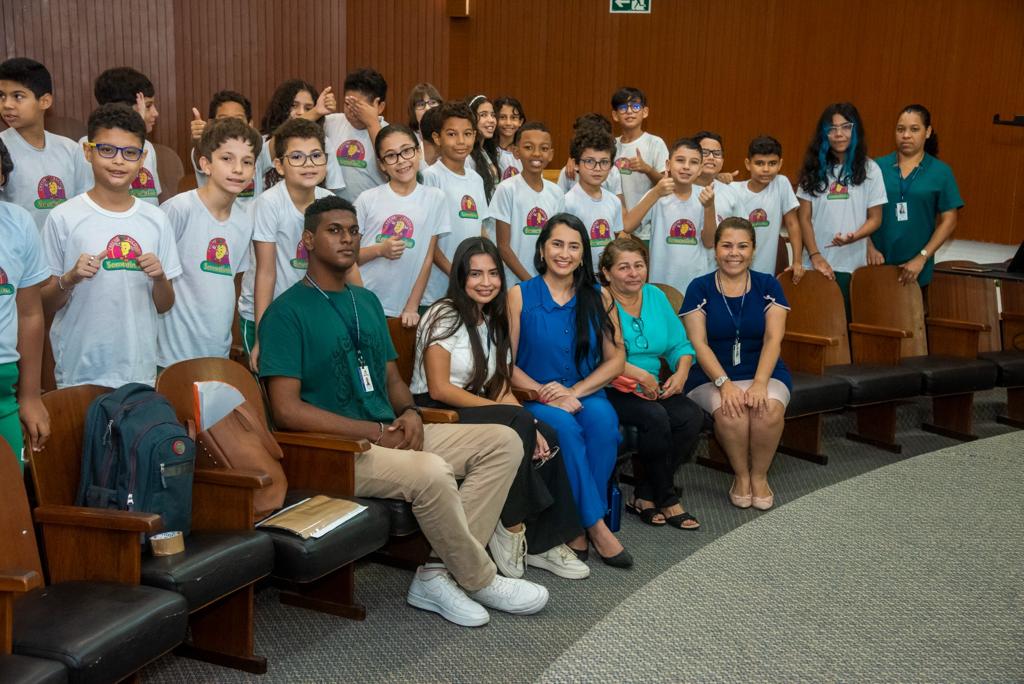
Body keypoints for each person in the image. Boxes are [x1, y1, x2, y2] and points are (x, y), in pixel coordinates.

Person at [259, 195, 548, 628]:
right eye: (334, 230)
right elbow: (285, 411)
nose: (347, 239)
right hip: (336, 450)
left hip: (390, 430)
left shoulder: (367, 302)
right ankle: (479, 577)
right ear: (307, 241)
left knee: (504, 441)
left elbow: (393, 380)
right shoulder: (285, 313)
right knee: (431, 470)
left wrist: (411, 412)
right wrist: (374, 430)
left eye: (353, 231)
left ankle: (437, 573)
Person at [411, 237, 589, 580]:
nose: (487, 282)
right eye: (475, 274)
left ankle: (544, 543)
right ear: (460, 277)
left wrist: (532, 423)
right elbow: (439, 388)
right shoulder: (442, 313)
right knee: (518, 421)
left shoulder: (492, 319)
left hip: (478, 406)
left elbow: (502, 384)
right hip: (437, 411)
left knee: (548, 434)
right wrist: (513, 416)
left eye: (493, 274)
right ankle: (511, 527)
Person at [509, 213, 631, 567]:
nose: (564, 253)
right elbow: (505, 365)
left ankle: (574, 524)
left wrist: (574, 391)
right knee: (564, 428)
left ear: (583, 254)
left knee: (605, 424)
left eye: (573, 246)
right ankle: (594, 526)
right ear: (542, 249)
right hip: (536, 397)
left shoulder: (599, 296)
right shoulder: (519, 295)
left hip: (585, 391)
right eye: (557, 244)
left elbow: (616, 360)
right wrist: (546, 393)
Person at [41, 104, 182, 388]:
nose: (119, 161)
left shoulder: (156, 219)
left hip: (138, 369)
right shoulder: (63, 216)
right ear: (88, 152)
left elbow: (165, 304)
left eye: (129, 153)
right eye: (107, 150)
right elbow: (44, 303)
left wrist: (159, 278)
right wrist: (70, 278)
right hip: (79, 368)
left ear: (142, 159)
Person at [681, 217, 791, 511]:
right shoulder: (699, 288)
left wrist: (759, 383)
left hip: (763, 370)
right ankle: (741, 476)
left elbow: (773, 339)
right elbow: (698, 344)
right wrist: (724, 383)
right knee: (732, 414)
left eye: (742, 246)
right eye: (726, 245)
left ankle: (759, 476)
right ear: (715, 250)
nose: (734, 253)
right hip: (709, 375)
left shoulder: (768, 285)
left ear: (753, 250)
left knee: (766, 410)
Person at [598, 238, 703, 529]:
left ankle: (644, 494)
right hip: (612, 386)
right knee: (655, 416)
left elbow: (680, 344)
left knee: (690, 416)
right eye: (624, 267)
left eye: (639, 266)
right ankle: (668, 499)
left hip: (652, 385)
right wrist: (639, 376)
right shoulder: (599, 299)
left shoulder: (655, 296)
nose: (633, 273)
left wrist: (681, 373)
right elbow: (598, 354)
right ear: (607, 273)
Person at [243, 117, 352, 370]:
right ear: (280, 165)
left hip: (311, 312)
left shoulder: (330, 201)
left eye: (316, 155)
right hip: (266, 313)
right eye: (297, 157)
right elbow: (266, 272)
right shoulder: (269, 203)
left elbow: (345, 266)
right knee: (273, 391)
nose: (308, 164)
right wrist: (263, 336)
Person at [157, 118, 260, 368]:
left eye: (247, 162)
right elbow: (156, 282)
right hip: (170, 355)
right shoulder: (179, 209)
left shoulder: (245, 221)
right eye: (227, 159)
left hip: (217, 351)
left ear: (254, 170)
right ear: (205, 164)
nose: (238, 169)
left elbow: (229, 282)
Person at [354, 124, 449, 324]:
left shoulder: (435, 198)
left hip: (404, 308)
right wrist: (380, 250)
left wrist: (413, 305)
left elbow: (427, 256)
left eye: (407, 151)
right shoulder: (367, 199)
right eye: (391, 155)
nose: (401, 161)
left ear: (418, 151)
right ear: (381, 164)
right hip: (364, 300)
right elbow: (348, 258)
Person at [796, 102, 887, 306]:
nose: (839, 134)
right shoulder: (812, 169)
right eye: (832, 129)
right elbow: (804, 218)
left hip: (852, 266)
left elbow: (876, 218)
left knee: (844, 327)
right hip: (815, 266)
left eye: (846, 127)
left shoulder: (871, 169)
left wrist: (855, 236)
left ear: (855, 130)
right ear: (824, 134)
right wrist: (815, 255)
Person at [869, 104, 963, 299]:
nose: (906, 135)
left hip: (915, 272)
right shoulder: (876, 167)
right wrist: (867, 246)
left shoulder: (941, 172)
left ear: (927, 132)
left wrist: (922, 257)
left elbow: (950, 220)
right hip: (874, 267)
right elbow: (856, 211)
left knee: (911, 327)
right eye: (900, 129)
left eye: (914, 129)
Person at [0, 138, 50, 470]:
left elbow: (30, 312)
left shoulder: (17, 222)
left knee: (9, 505)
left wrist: (29, 396)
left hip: (4, 389)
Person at [0, 57, 88, 229]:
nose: (7, 104)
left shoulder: (70, 149)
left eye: (18, 96)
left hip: (67, 251)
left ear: (45, 101)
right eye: (2, 96)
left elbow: (84, 203)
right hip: (19, 252)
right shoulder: (2, 148)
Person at [624, 137, 716, 295]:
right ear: (668, 164)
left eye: (693, 162)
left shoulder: (705, 196)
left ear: (700, 169)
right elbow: (627, 226)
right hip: (661, 284)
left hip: (697, 284)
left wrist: (709, 207)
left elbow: (709, 242)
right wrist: (655, 193)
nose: (686, 167)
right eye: (680, 160)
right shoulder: (657, 193)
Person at [422, 102, 489, 307]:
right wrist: (455, 273)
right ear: (437, 138)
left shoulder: (476, 179)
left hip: (471, 285)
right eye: (452, 134)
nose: (461, 141)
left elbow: (481, 230)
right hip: (437, 289)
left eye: (467, 134)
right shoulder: (430, 177)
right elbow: (427, 240)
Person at [492, 121, 565, 285]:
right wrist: (530, 282)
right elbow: (503, 247)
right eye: (529, 147)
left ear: (551, 154)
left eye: (544, 148)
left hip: (548, 281)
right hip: (514, 283)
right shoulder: (506, 189)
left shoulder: (556, 193)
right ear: (517, 152)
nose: (537, 154)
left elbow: (558, 240)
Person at [83, 67, 162, 205]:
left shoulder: (147, 146)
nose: (155, 113)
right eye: (148, 106)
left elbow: (153, 200)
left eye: (131, 152)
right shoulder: (90, 145)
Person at [730, 136, 803, 280]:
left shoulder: (781, 183)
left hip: (766, 273)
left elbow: (792, 224)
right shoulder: (733, 190)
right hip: (734, 269)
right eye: (759, 163)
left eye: (772, 163)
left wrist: (797, 261)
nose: (766, 169)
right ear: (748, 164)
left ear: (780, 164)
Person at [611, 87, 668, 242]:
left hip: (647, 229)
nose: (629, 111)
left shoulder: (655, 143)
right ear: (615, 115)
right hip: (615, 226)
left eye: (635, 106)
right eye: (623, 108)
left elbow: (667, 184)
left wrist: (647, 169)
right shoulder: (610, 146)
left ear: (645, 112)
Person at [562, 125, 623, 268]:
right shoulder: (567, 202)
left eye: (604, 162)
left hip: (606, 275)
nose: (597, 168)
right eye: (589, 161)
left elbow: (614, 239)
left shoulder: (614, 201)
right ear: (576, 164)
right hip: (577, 275)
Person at [257, 79, 334, 191]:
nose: (301, 112)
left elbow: (332, 187)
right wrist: (315, 112)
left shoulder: (324, 142)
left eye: (308, 108)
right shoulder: (262, 142)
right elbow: (282, 137)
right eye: (294, 105)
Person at [324, 68, 388, 203]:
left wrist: (372, 124)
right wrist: (316, 112)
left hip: (374, 210)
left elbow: (388, 168)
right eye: (348, 104)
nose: (352, 112)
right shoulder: (332, 123)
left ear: (380, 107)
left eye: (358, 106)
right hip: (337, 210)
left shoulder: (392, 134)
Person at [188, 90, 260, 207]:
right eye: (224, 120)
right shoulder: (208, 149)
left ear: (250, 124)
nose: (232, 126)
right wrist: (199, 141)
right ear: (210, 123)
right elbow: (200, 151)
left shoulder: (256, 149)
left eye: (238, 120)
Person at [557, 113, 625, 208]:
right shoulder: (568, 171)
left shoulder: (613, 172)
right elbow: (558, 203)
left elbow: (620, 209)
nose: (597, 168)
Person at [692, 130, 739, 226]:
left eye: (717, 153)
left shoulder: (731, 193)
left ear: (722, 161)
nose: (711, 157)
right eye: (705, 152)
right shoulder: (677, 189)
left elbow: (742, 229)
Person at [466, 94, 499, 202]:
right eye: (484, 115)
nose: (491, 120)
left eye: (493, 115)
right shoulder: (467, 156)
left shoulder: (485, 151)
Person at [493, 96, 525, 180]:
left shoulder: (524, 152)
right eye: (502, 117)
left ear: (520, 122)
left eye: (513, 118)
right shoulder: (488, 151)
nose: (508, 123)